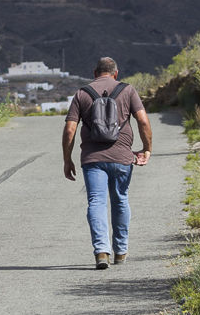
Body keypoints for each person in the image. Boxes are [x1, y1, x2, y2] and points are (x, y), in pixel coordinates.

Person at [62, 57, 152, 269]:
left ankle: (102, 252)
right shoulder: (128, 90)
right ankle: (120, 251)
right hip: (122, 156)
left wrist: (67, 159)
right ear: (116, 73)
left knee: (96, 202)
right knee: (120, 199)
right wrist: (147, 149)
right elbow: (143, 120)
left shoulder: (82, 93)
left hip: (92, 159)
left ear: (95, 73)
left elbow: (69, 130)